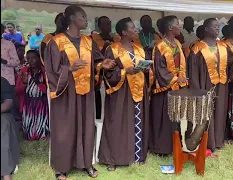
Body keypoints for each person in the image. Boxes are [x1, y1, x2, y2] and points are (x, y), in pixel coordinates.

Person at [43, 5, 116, 179]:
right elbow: (51, 70)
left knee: (86, 126)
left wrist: (101, 65)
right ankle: (62, 167)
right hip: (65, 93)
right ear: (72, 19)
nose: (86, 19)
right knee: (65, 128)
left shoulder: (88, 41)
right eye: (82, 17)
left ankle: (86, 163)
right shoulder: (57, 41)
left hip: (86, 91)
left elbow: (95, 62)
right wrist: (68, 69)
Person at [98, 17, 150, 171]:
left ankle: (137, 155)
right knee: (118, 123)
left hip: (139, 89)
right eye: (133, 28)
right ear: (124, 32)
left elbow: (145, 67)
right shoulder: (113, 49)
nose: (136, 30)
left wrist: (147, 69)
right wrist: (124, 71)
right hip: (121, 91)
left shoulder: (139, 48)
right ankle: (113, 159)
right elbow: (107, 73)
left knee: (137, 122)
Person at [188, 18, 231, 151]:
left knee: (219, 111)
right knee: (206, 112)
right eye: (214, 26)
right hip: (204, 85)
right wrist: (197, 89)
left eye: (218, 26)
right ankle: (207, 142)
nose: (217, 28)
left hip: (222, 85)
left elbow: (230, 63)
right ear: (206, 29)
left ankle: (218, 140)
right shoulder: (197, 48)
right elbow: (193, 71)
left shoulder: (223, 46)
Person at [149, 15, 188, 155]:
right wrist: (174, 79)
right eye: (178, 23)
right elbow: (159, 68)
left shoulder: (177, 43)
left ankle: (174, 145)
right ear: (171, 27)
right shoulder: (160, 46)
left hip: (178, 87)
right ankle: (161, 148)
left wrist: (182, 78)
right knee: (163, 119)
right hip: (165, 89)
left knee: (175, 118)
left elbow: (182, 63)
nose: (180, 26)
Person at [16, 50, 49, 140]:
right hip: (28, 103)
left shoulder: (44, 71)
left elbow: (50, 91)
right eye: (28, 58)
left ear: (39, 59)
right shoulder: (24, 71)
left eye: (34, 58)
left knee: (41, 131)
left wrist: (38, 82)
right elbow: (17, 91)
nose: (31, 60)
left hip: (42, 104)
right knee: (29, 134)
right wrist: (24, 83)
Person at [1, 77, 20, 180]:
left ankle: (6, 173)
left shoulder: (2, 81)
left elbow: (8, 103)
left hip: (3, 114)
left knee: (2, 128)